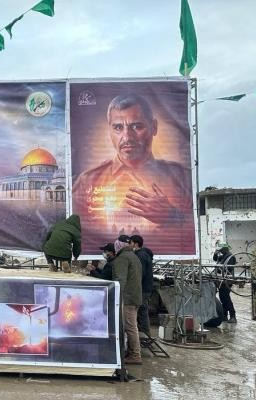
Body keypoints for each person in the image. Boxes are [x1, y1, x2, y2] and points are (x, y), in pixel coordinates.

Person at [73, 93, 192, 226]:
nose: (127, 137)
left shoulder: (183, 178)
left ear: (154, 127)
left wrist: (171, 216)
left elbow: (199, 223)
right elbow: (74, 228)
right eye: (118, 127)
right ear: (109, 131)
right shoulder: (87, 182)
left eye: (136, 126)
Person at [112, 239, 143, 365]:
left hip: (127, 298)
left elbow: (120, 280)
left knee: (130, 327)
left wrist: (115, 296)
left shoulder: (123, 258)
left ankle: (135, 355)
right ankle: (132, 353)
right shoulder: (133, 256)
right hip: (134, 296)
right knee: (131, 326)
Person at [130, 234, 154, 335]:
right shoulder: (144, 254)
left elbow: (140, 273)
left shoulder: (140, 256)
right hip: (145, 288)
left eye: (130, 243)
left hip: (142, 288)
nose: (129, 245)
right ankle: (144, 334)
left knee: (141, 312)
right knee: (142, 311)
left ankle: (145, 335)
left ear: (136, 244)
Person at [213, 243, 237, 323]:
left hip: (227, 280)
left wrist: (219, 267)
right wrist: (215, 254)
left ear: (225, 249)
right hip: (221, 280)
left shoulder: (231, 256)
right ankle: (225, 315)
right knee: (222, 298)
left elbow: (228, 268)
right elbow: (215, 259)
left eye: (221, 250)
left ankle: (233, 316)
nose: (220, 251)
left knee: (226, 298)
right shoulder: (223, 256)